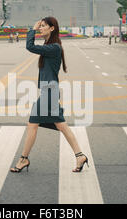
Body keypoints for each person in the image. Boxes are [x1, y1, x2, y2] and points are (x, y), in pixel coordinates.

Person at [10, 17, 88, 173]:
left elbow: (30, 46)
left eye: (43, 26)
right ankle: (80, 156)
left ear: (52, 28)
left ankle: (24, 159)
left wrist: (32, 28)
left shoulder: (54, 48)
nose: (40, 28)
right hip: (49, 91)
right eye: (40, 26)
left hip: (49, 92)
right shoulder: (51, 46)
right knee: (61, 126)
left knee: (33, 124)